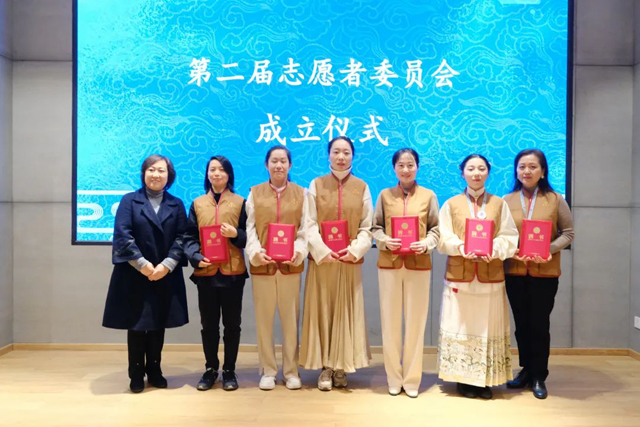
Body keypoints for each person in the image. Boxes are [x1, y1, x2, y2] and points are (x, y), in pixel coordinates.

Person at [103, 154, 189, 393]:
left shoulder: (176, 204)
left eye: (161, 170)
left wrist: (167, 265)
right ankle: (136, 373)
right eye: (151, 169)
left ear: (169, 176)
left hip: (164, 274)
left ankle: (155, 370)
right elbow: (123, 235)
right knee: (137, 324)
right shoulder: (129, 201)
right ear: (143, 173)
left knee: (158, 323)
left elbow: (182, 237)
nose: (156, 175)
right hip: (134, 274)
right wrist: (142, 265)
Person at [436, 154, 518, 399]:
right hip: (460, 275)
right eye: (471, 168)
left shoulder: (499, 204)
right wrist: (462, 247)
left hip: (490, 275)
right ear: (462, 172)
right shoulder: (451, 204)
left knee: (487, 328)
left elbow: (509, 236)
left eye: (481, 168)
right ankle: (463, 380)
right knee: (460, 326)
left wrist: (493, 250)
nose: (476, 173)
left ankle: (485, 380)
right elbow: (443, 238)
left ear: (488, 172)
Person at [299, 136, 373, 391]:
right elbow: (308, 223)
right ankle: (325, 367)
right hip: (323, 262)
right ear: (328, 155)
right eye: (336, 152)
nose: (341, 157)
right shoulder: (316, 185)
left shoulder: (362, 187)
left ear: (353, 156)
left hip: (349, 260)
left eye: (346, 152)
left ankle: (341, 366)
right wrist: (322, 250)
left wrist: (354, 250)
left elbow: (367, 226)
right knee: (323, 312)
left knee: (346, 313)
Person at [504, 149, 575, 399]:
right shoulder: (506, 200)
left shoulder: (555, 199)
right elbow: (501, 235)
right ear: (516, 171)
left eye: (533, 166)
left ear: (543, 171)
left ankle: (538, 376)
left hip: (545, 273)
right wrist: (511, 250)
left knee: (539, 325)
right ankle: (525, 370)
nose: (527, 171)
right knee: (521, 324)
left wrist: (548, 249)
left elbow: (568, 233)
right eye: (522, 166)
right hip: (514, 271)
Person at [372, 148, 440, 398]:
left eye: (410, 165)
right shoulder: (384, 195)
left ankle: (411, 379)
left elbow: (435, 229)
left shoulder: (429, 196)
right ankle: (394, 377)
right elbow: (375, 227)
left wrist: (427, 243)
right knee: (390, 323)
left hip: (418, 265)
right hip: (390, 265)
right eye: (401, 165)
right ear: (394, 168)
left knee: (415, 324)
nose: (406, 169)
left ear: (417, 167)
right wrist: (384, 240)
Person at [245, 146, 308, 391]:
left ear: (290, 165)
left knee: (291, 320)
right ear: (266, 164)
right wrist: (255, 252)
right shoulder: (255, 193)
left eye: (283, 161)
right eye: (274, 161)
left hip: (290, 267)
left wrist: (298, 251)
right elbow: (250, 228)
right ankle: (268, 370)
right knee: (264, 321)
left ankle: (291, 371)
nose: (278, 165)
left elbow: (304, 229)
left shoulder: (302, 194)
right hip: (263, 266)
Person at [183, 155, 247, 392]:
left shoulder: (241, 202)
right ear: (207, 174)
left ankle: (229, 370)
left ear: (229, 174)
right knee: (208, 325)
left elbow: (250, 236)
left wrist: (236, 234)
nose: (217, 173)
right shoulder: (197, 203)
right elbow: (189, 237)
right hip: (207, 272)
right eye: (212, 169)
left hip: (233, 273)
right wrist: (195, 257)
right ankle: (210, 369)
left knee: (232, 325)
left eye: (221, 169)